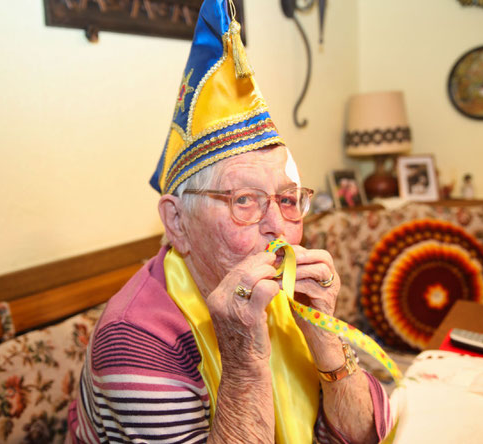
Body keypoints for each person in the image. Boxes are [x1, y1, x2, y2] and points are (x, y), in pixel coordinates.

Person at [67, 1, 391, 442]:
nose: (279, 225)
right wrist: (243, 358)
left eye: (289, 198)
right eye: (244, 200)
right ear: (177, 222)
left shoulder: (280, 291)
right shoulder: (135, 338)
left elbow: (367, 434)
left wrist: (324, 336)